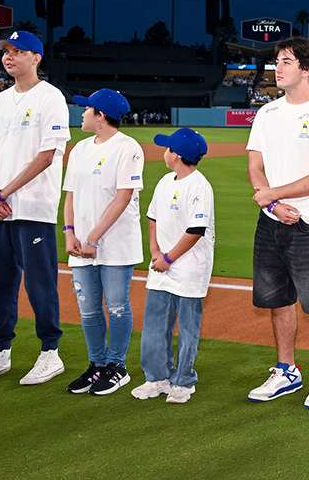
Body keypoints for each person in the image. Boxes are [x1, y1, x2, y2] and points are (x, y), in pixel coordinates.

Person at [245, 38, 309, 409]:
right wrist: (272, 204)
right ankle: (286, 369)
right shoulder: (267, 113)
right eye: (277, 61)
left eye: (286, 61)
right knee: (278, 299)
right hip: (272, 220)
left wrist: (274, 195)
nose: (278, 67)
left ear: (306, 68)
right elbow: (255, 166)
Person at [0, 30, 72, 387]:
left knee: (40, 283)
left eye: (17, 51)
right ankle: (1, 350)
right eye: (5, 51)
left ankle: (50, 351)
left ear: (36, 57)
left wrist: (4, 194)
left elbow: (46, 157)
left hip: (32, 209)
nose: (8, 57)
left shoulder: (51, 98)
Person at [62, 88, 144, 396]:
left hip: (116, 244)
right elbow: (69, 194)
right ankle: (96, 365)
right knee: (88, 310)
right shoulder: (80, 149)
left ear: (101, 116)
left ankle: (116, 366)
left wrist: (94, 237)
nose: (81, 113)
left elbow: (124, 196)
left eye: (87, 109)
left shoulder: (128, 147)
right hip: (81, 244)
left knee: (117, 306)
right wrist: (70, 232)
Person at [131, 127, 215, 404]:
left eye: (168, 148)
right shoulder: (165, 182)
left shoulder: (199, 186)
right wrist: (155, 251)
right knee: (155, 324)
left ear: (176, 155)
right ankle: (156, 378)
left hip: (189, 267)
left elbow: (195, 229)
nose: (164, 152)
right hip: (162, 266)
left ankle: (183, 380)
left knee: (188, 326)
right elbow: (152, 217)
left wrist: (168, 258)